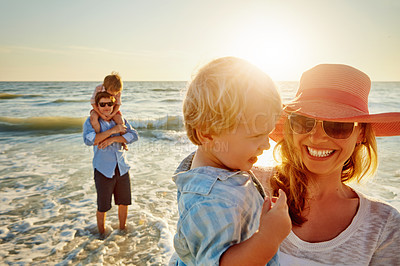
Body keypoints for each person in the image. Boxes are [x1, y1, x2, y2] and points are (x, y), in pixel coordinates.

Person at [258, 64, 400, 265]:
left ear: (360, 133)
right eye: (303, 121)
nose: (316, 137)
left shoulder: (384, 226)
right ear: (290, 126)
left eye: (337, 125)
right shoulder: (248, 184)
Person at [169, 57, 292, 266]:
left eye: (268, 134)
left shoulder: (214, 166)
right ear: (208, 133)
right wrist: (268, 238)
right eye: (256, 136)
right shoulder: (211, 201)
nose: (266, 145)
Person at [83, 91, 139, 236]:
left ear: (113, 105)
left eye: (110, 104)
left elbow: (133, 135)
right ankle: (101, 234)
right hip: (103, 169)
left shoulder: (119, 119)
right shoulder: (91, 122)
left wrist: (113, 139)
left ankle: (122, 230)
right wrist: (113, 131)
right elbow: (90, 140)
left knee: (124, 202)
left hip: (122, 167)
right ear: (98, 106)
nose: (106, 107)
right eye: (103, 104)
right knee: (103, 206)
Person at [90, 72, 128, 150]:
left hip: (112, 109)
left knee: (121, 122)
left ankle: (122, 142)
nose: (114, 93)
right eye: (112, 91)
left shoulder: (117, 92)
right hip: (99, 109)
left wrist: (112, 114)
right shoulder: (99, 88)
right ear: (106, 87)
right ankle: (99, 138)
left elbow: (118, 104)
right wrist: (101, 114)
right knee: (93, 119)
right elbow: (93, 102)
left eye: (116, 92)